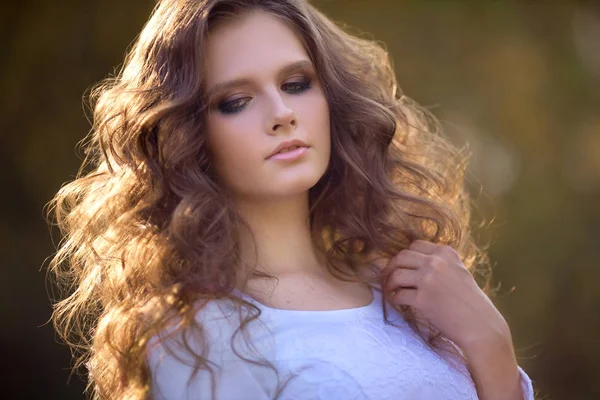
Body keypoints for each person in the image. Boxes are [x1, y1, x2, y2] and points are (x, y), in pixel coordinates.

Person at [47, 0, 536, 399]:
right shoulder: (193, 339)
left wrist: (491, 344)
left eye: (296, 84)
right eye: (236, 101)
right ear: (186, 135)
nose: (282, 113)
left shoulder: (412, 290)